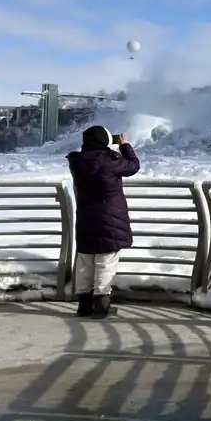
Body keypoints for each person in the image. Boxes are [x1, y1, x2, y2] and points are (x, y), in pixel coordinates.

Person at [67, 126, 140, 318]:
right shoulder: (109, 162)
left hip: (85, 218)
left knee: (85, 261)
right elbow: (133, 166)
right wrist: (124, 146)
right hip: (110, 218)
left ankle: (84, 305)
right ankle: (101, 305)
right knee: (106, 261)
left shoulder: (77, 162)